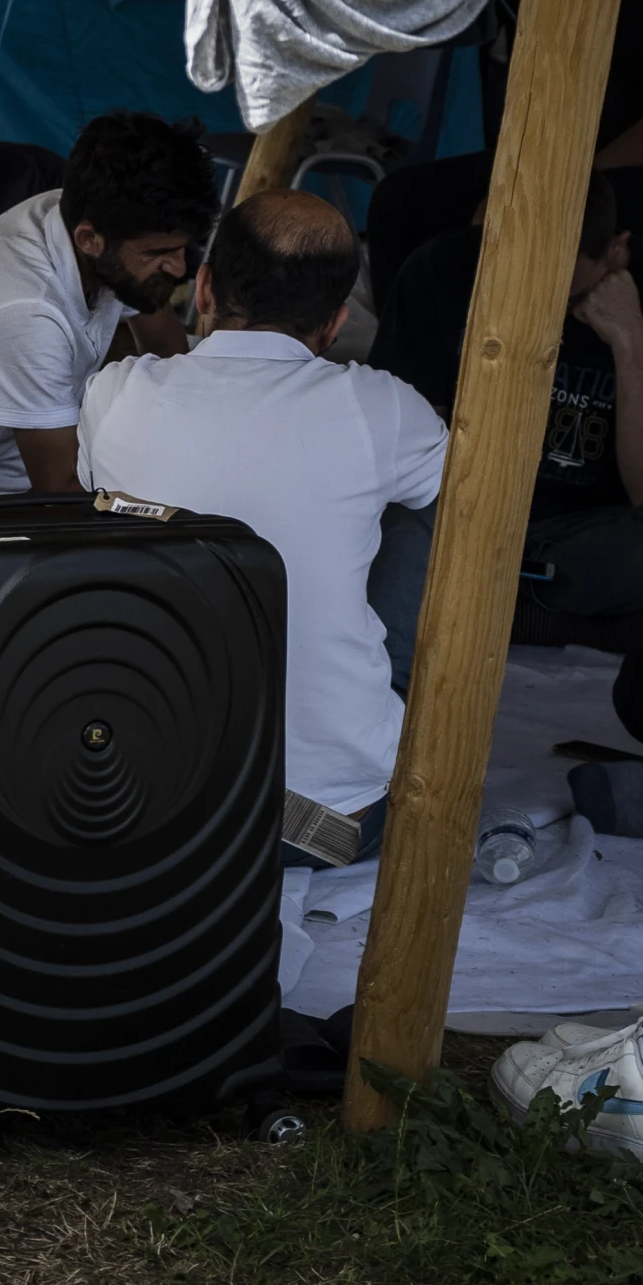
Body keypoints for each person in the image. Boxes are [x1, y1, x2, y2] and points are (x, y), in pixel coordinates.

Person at [79, 192, 447, 855]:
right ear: (335, 323)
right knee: (444, 510)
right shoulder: (382, 409)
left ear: (205, 287)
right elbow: (466, 508)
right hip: (322, 828)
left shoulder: (116, 393)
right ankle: (363, 719)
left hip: (135, 806)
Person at [0, 109, 218, 493]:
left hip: (10, 459)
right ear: (88, 240)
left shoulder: (91, 218)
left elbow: (167, 349)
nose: (179, 269)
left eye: (182, 248)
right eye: (158, 252)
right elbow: (59, 488)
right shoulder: (23, 310)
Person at [383, 176, 643, 621]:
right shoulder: (442, 268)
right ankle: (514, 608)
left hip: (585, 532)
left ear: (616, 250)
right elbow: (403, 450)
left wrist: (629, 338)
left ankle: (512, 603)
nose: (540, 312)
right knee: (394, 519)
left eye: (564, 295)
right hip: (461, 515)